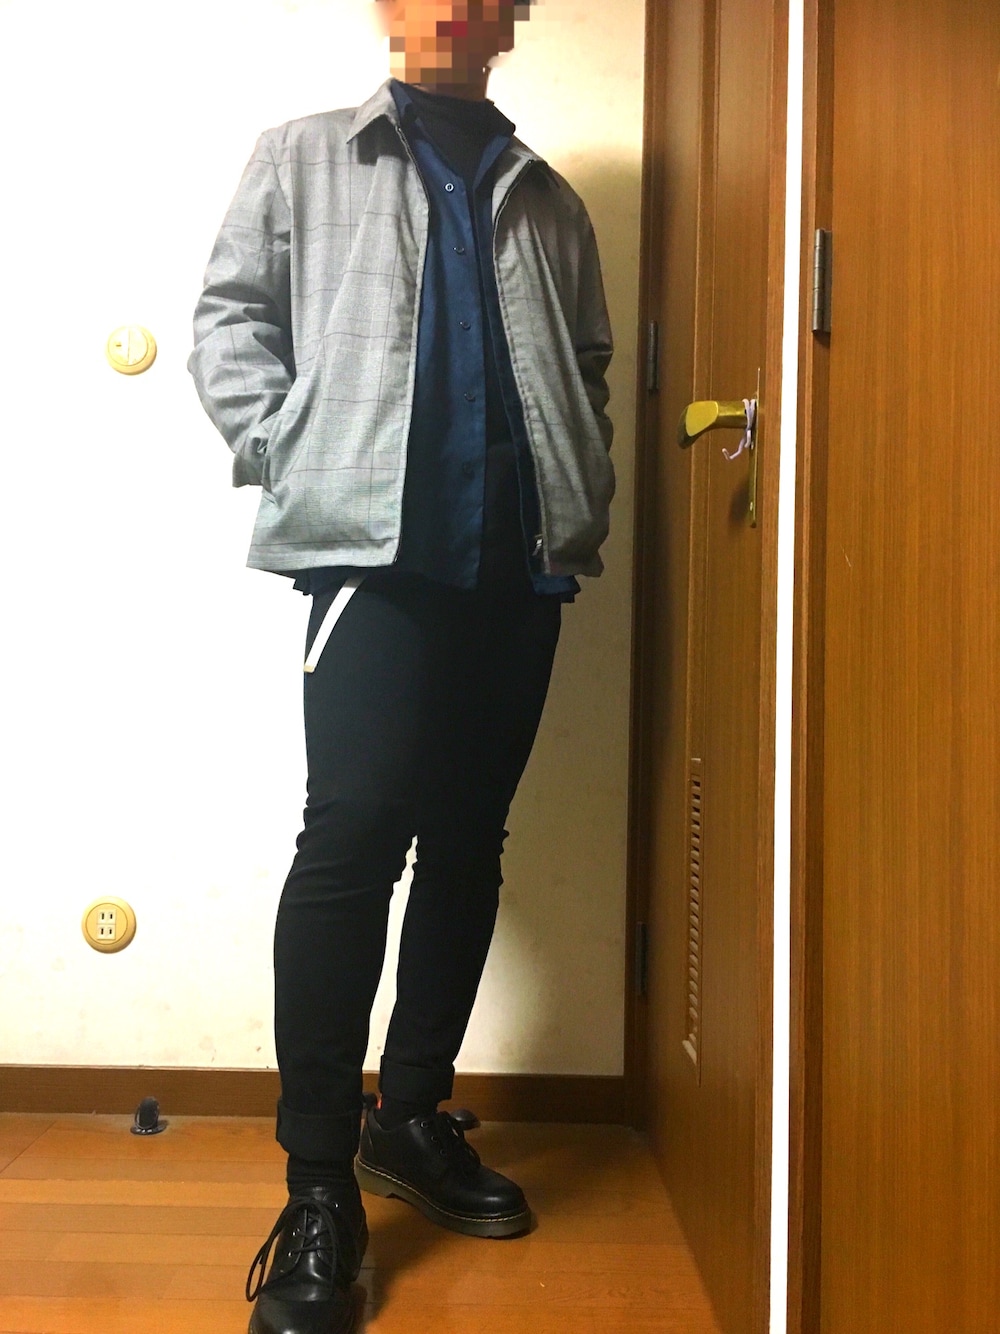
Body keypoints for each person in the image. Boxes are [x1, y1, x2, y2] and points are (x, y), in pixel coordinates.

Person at [189, 1, 614, 1330]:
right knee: (354, 834)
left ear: (508, 17)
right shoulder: (304, 154)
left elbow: (587, 365)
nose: (447, 9)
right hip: (370, 562)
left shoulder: (549, 199)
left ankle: (410, 1118)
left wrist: (579, 476)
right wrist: (292, 451)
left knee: (469, 840)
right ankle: (319, 1186)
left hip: (517, 564)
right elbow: (227, 323)